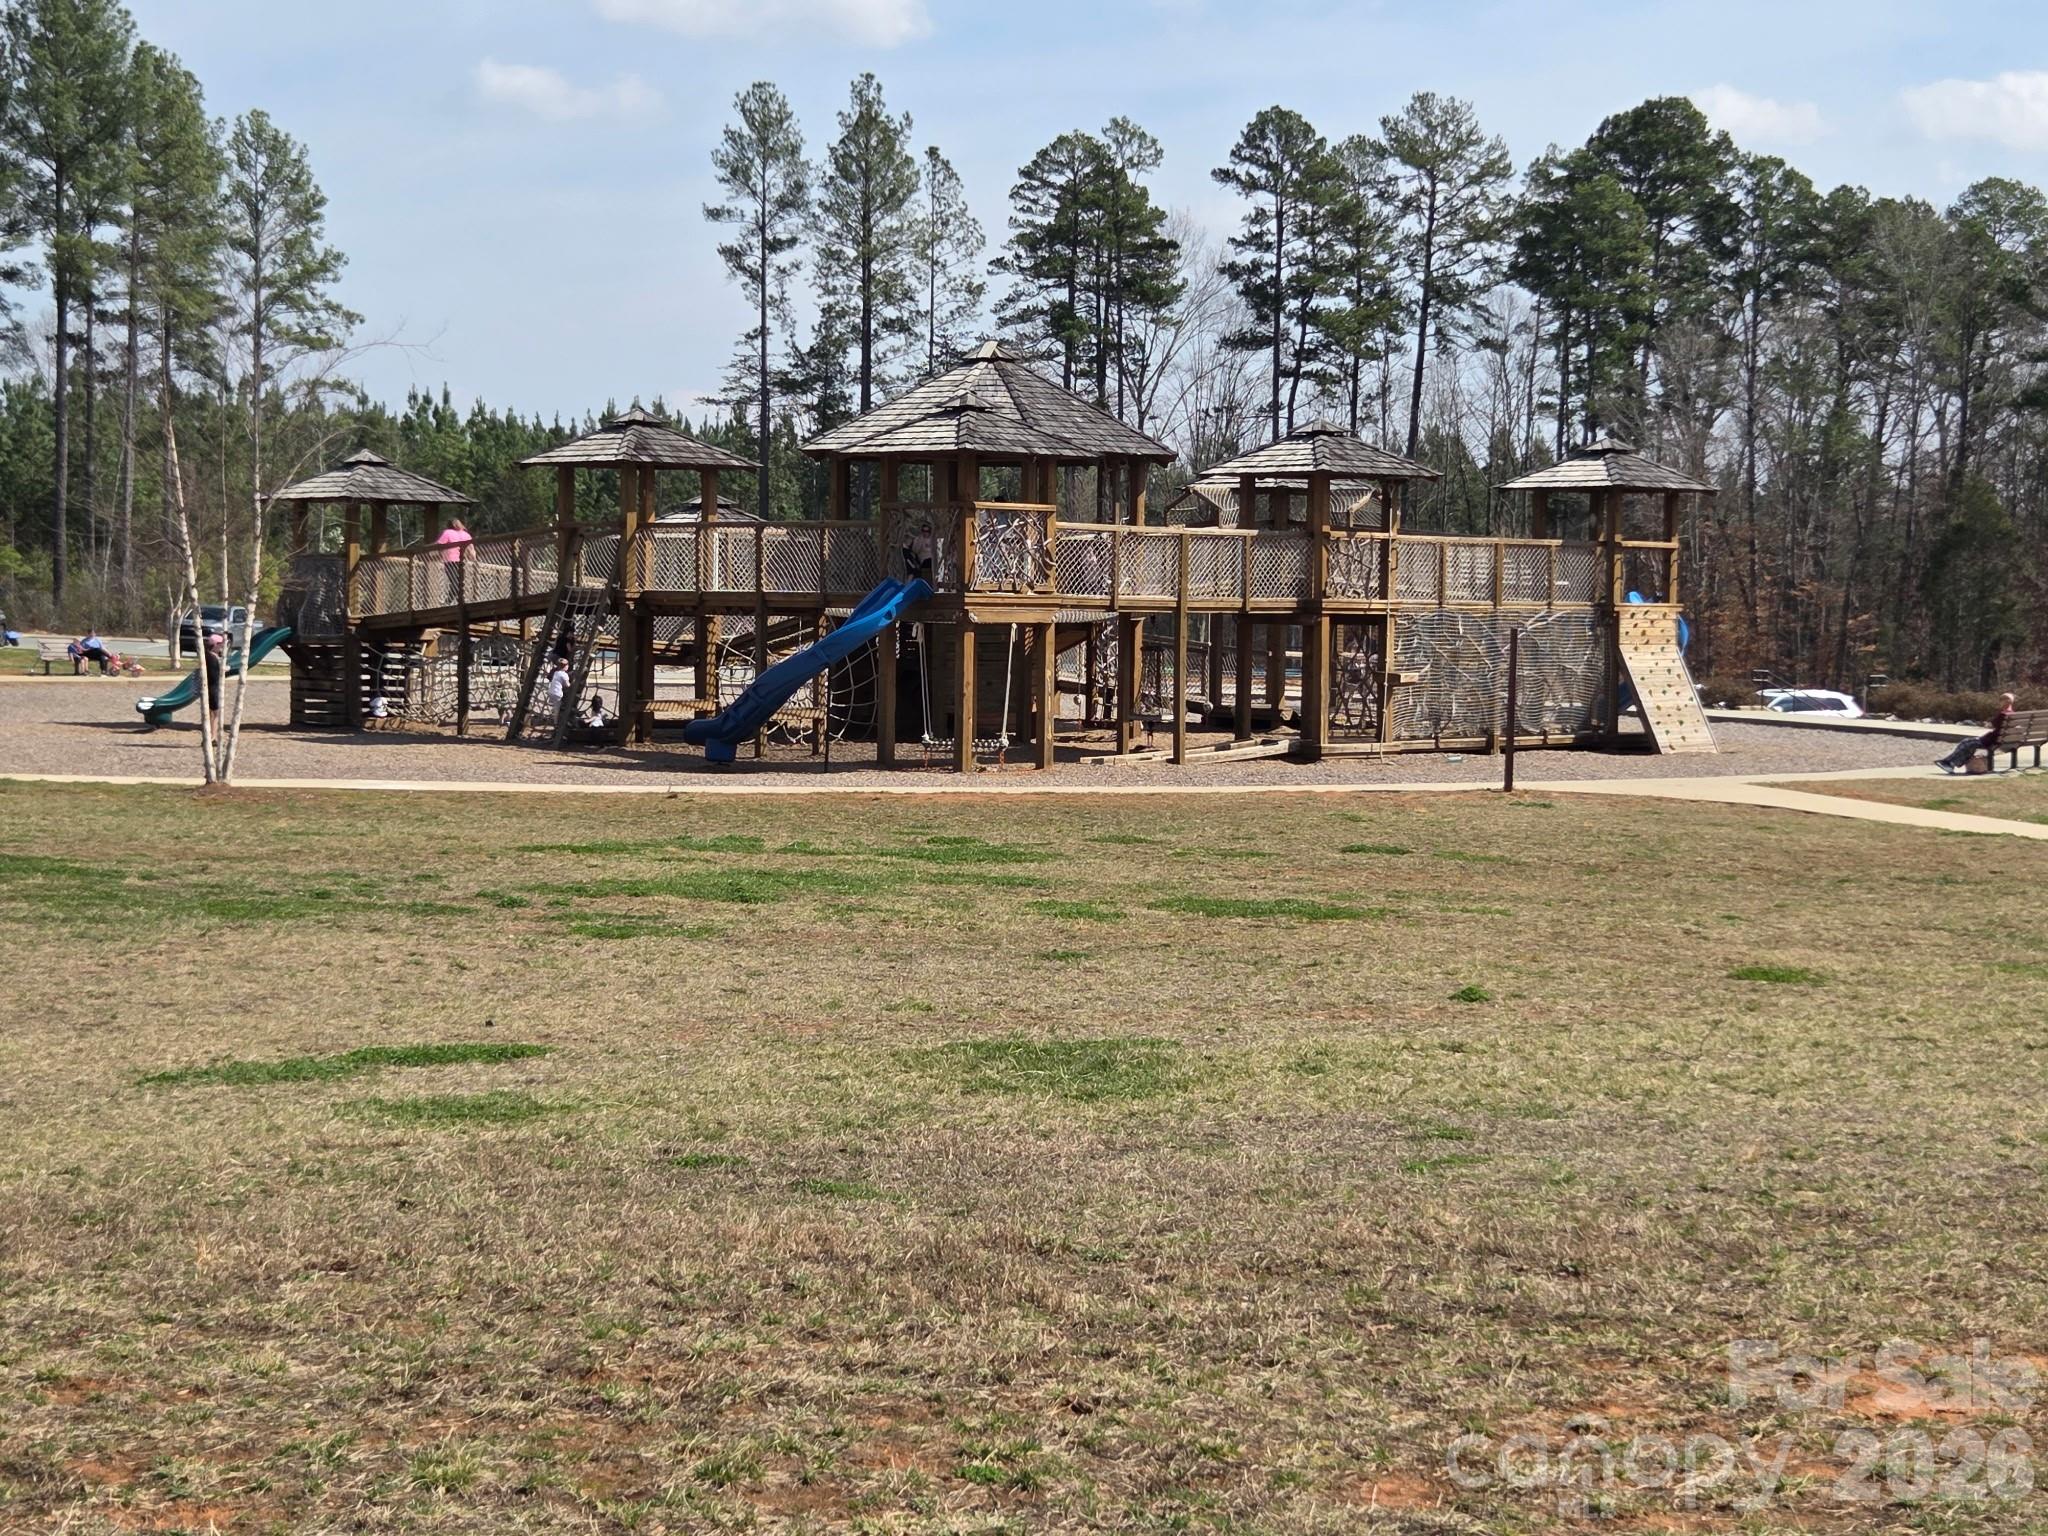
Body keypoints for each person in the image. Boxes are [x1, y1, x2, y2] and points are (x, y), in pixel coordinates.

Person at [1939, 692, 2017, 773]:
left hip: (1992, 741)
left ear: (2006, 702)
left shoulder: (2003, 714)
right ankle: (1949, 763)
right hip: (1999, 740)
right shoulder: (2013, 715)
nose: (2000, 702)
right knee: (1968, 744)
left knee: (1966, 742)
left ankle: (1948, 763)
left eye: (2001, 700)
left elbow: (1993, 724)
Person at [435, 517, 473, 603]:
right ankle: (460, 601)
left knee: (455, 582)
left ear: (449, 525)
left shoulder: (447, 532)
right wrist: (472, 557)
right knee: (459, 582)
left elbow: (439, 544)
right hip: (461, 561)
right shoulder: (465, 534)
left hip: (450, 561)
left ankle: (449, 601)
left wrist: (438, 554)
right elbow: (471, 548)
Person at [203, 629, 226, 714]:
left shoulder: (211, 656)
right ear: (216, 645)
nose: (222, 647)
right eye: (221, 645)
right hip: (212, 688)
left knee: (213, 712)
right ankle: (213, 728)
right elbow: (213, 676)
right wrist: (222, 670)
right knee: (214, 713)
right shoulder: (212, 658)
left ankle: (213, 727)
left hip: (212, 687)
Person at [544, 657, 570, 722]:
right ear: (564, 666)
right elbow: (567, 685)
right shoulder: (564, 674)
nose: (568, 666)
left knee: (555, 705)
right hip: (557, 693)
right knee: (557, 709)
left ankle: (553, 714)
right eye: (567, 665)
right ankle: (555, 722)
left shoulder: (556, 672)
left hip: (551, 692)